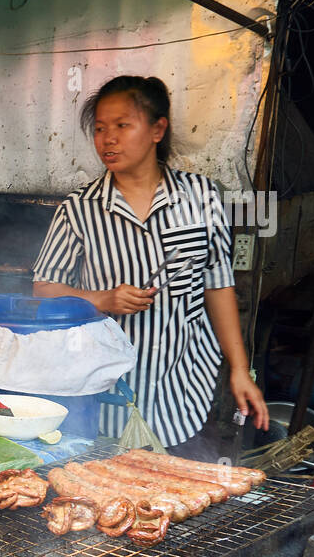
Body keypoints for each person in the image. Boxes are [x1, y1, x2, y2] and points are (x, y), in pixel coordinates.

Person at [32, 75, 269, 456]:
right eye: (100, 129)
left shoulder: (202, 198)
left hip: (183, 389)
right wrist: (102, 299)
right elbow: (43, 290)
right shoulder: (79, 209)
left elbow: (218, 286)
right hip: (106, 396)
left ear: (158, 129)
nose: (108, 139)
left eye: (122, 126)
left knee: (177, 497)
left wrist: (239, 369)